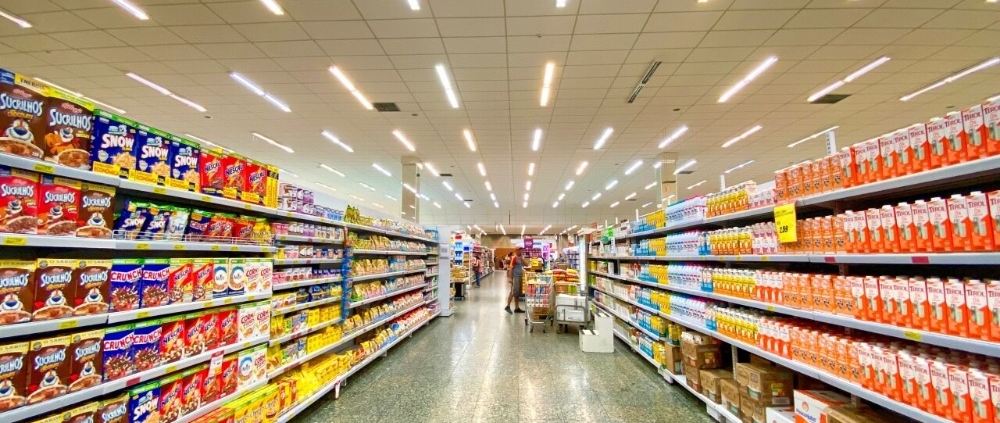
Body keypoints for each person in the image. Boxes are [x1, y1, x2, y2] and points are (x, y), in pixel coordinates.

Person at [505, 248, 525, 314]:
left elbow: (526, 264)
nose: (520, 251)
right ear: (516, 251)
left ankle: (517, 308)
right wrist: (510, 278)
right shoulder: (514, 258)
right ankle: (507, 306)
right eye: (519, 250)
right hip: (515, 277)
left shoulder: (520, 258)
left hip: (520, 277)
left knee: (517, 293)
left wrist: (522, 259)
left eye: (521, 250)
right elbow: (510, 268)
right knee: (513, 292)